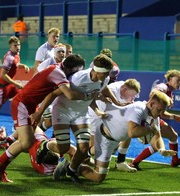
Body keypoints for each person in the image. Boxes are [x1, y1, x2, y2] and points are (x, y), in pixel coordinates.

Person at [0, 54, 90, 183]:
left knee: (27, 141)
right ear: (73, 69)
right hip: (22, 104)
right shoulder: (58, 73)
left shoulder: (57, 69)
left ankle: (5, 146)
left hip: (31, 104)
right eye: (79, 70)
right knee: (26, 142)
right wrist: (88, 95)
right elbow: (70, 94)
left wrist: (39, 111)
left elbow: (51, 94)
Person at [35, 54, 125, 183]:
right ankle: (46, 145)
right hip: (62, 111)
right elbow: (53, 93)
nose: (107, 77)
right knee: (63, 148)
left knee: (83, 148)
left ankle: (71, 170)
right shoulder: (77, 78)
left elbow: (103, 90)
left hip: (81, 113)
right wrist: (40, 112)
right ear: (97, 71)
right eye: (105, 73)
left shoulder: (103, 79)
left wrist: (116, 102)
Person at [53, 90, 176, 183]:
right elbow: (132, 133)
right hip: (105, 137)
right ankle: (69, 163)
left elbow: (157, 135)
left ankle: (71, 166)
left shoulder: (154, 115)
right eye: (159, 110)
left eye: (162, 111)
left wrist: (161, 149)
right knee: (98, 176)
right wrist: (149, 129)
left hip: (114, 140)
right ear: (152, 103)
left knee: (96, 170)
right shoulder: (138, 109)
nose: (160, 114)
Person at [130, 69, 180, 169]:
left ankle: (175, 161)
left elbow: (160, 112)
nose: (179, 83)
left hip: (154, 118)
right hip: (148, 119)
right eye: (178, 80)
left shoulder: (170, 93)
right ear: (170, 79)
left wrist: (172, 116)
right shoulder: (164, 87)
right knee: (156, 145)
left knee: (173, 135)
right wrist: (166, 98)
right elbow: (154, 92)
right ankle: (133, 162)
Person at [88, 79, 141, 172]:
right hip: (96, 116)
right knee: (94, 148)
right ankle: (85, 156)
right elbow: (110, 111)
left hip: (108, 115)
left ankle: (120, 161)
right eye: (132, 96)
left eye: (135, 96)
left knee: (129, 128)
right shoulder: (112, 90)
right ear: (124, 91)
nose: (133, 99)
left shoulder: (125, 88)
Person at [0, 127, 75, 176]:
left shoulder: (50, 146)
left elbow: (72, 150)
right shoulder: (47, 170)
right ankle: (7, 142)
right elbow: (73, 152)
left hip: (35, 144)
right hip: (34, 152)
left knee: (27, 127)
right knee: (23, 138)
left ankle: (8, 140)